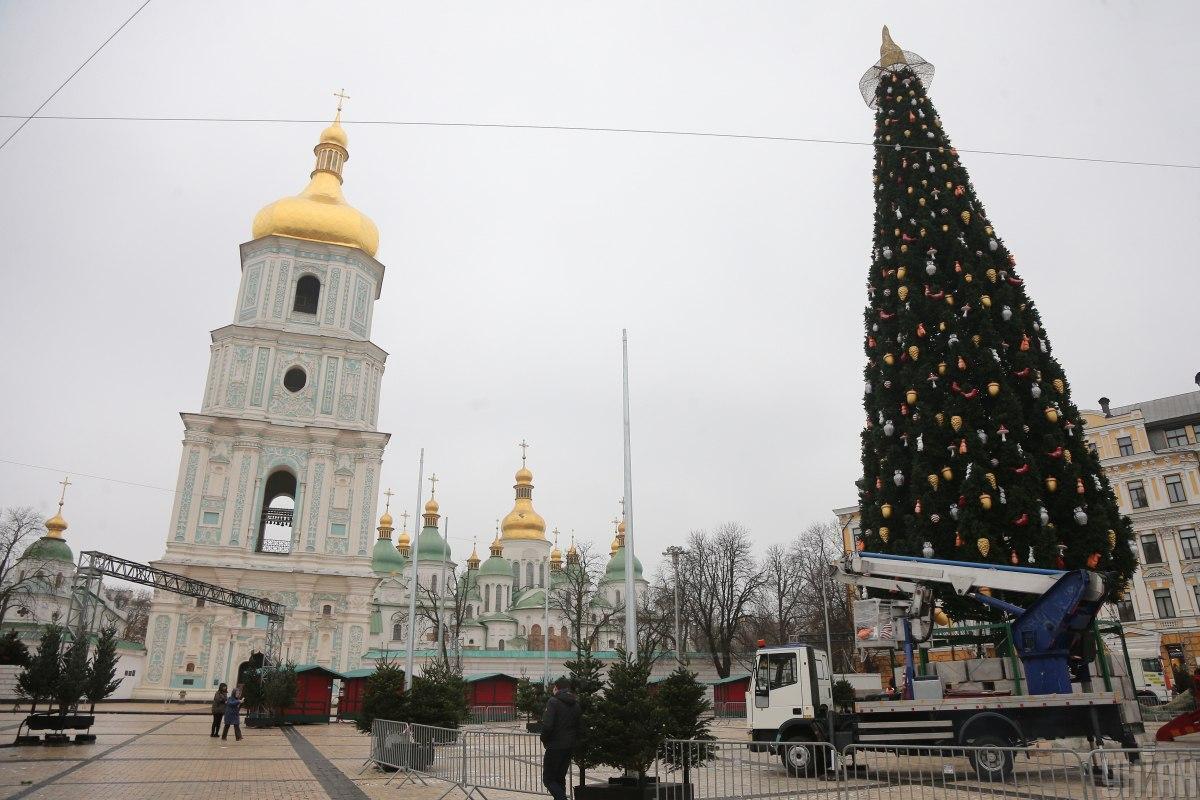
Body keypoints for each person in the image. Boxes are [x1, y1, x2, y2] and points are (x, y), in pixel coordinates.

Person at [540, 677, 580, 800]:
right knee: (559, 778)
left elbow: (547, 725)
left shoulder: (553, 701)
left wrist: (544, 739)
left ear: (556, 688)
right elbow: (579, 725)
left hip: (555, 745)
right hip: (569, 745)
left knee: (548, 779)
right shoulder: (575, 702)